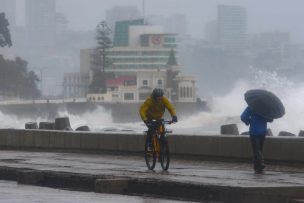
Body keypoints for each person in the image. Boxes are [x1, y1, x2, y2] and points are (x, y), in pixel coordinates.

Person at [241, 106, 273, 174]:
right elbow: (271, 119)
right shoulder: (266, 108)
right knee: (259, 149)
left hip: (254, 131)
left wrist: (249, 121)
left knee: (256, 150)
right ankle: (257, 167)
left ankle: (260, 164)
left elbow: (243, 117)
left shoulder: (252, 106)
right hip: (262, 132)